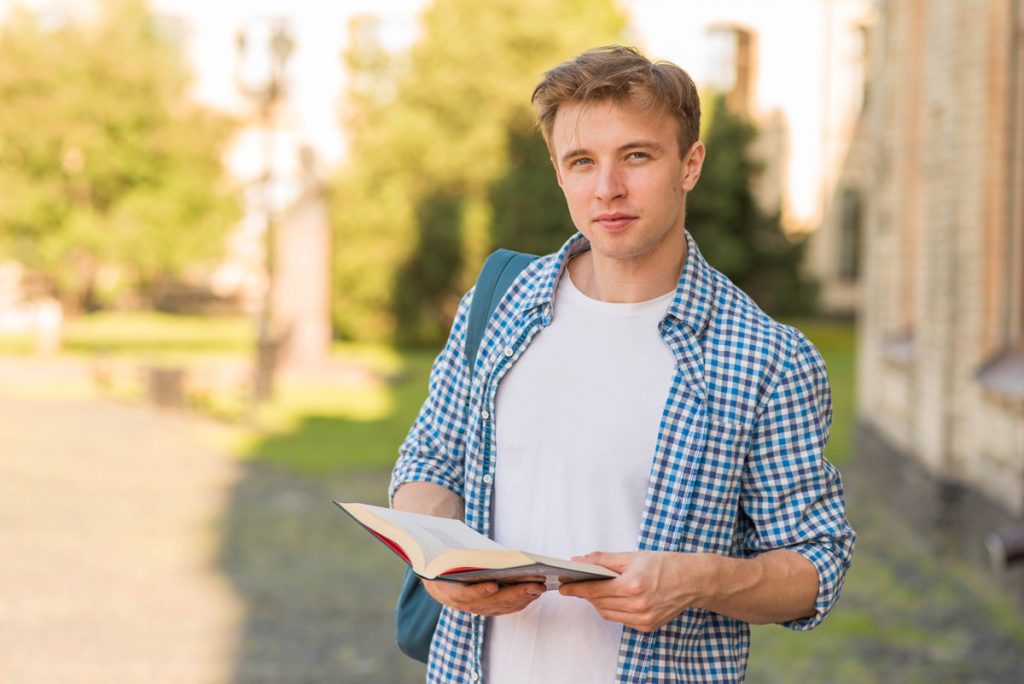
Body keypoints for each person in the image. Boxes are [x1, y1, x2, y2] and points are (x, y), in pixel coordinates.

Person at [390, 45, 855, 683]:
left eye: (636, 156)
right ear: (559, 173)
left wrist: (697, 580)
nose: (607, 188)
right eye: (582, 162)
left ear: (690, 165)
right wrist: (439, 562)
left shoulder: (768, 357)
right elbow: (428, 464)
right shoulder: (499, 302)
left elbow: (814, 564)